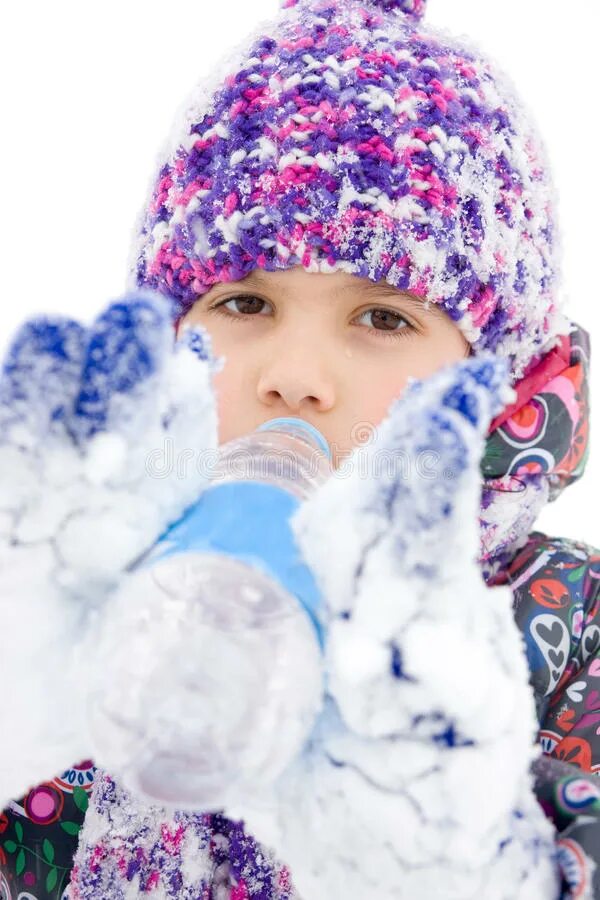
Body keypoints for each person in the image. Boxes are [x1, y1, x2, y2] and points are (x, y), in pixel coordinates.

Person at [1, 0, 599, 897]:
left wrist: (469, 869)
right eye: (246, 304)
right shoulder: (80, 600)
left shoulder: (571, 626)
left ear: (497, 380)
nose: (297, 375)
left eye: (383, 316)